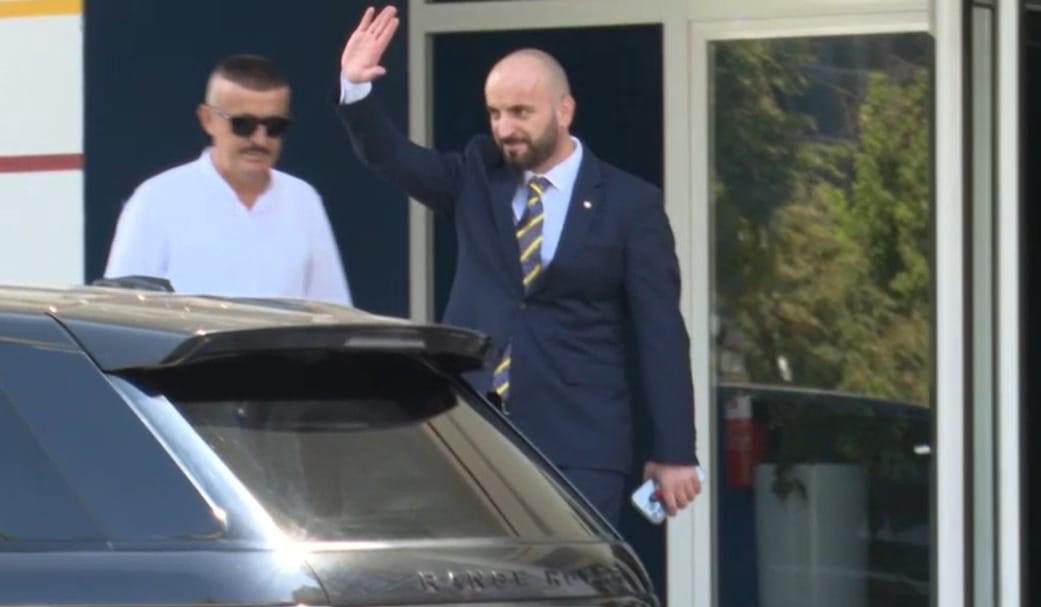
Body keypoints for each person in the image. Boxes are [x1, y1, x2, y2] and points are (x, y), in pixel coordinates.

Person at [337, 6, 700, 524]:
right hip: (474, 432)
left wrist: (675, 450)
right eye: (495, 113)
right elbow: (393, 157)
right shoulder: (476, 175)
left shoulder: (629, 205)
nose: (504, 128)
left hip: (580, 445)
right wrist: (356, 89)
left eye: (520, 112)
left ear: (564, 111)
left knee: (569, 573)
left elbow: (659, 330)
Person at [105, 54, 352, 305]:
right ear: (207, 120)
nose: (260, 140)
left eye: (274, 126)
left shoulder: (303, 200)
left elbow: (333, 311)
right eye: (243, 124)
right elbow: (120, 311)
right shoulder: (156, 200)